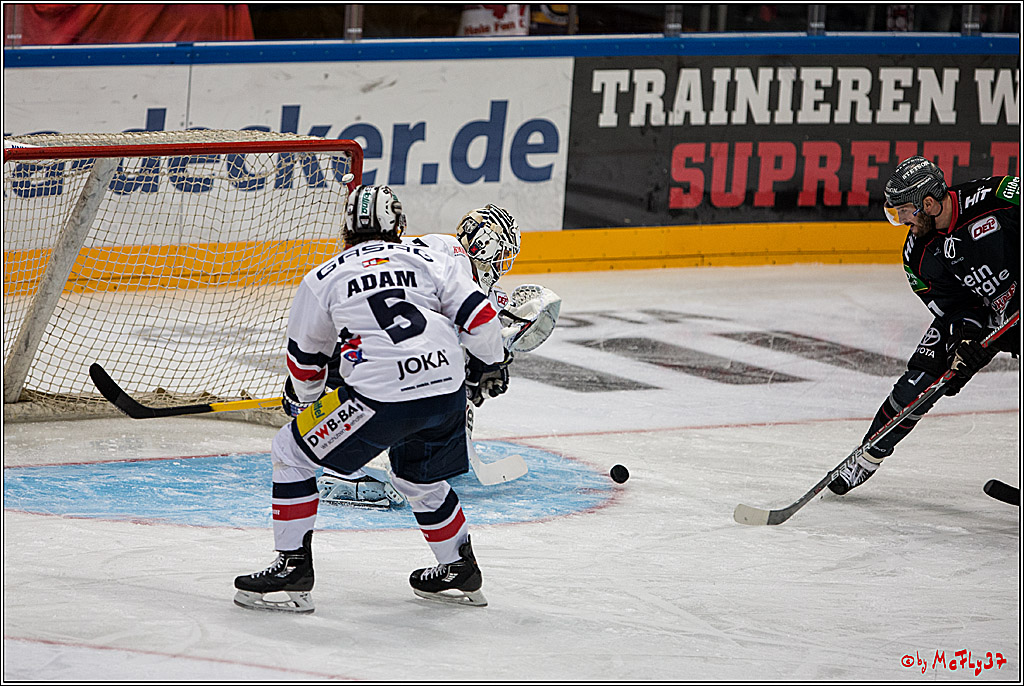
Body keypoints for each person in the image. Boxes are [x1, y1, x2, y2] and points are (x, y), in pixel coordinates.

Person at [233, 185, 505, 613]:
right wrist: (490, 363)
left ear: (345, 231)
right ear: (400, 227)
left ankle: (293, 568)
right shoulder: (429, 258)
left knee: (290, 450)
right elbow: (480, 317)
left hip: (381, 397)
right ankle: (459, 567)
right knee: (419, 478)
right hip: (446, 392)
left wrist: (304, 400)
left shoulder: (323, 276)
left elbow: (306, 362)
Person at [830, 157, 1020, 495]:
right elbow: (956, 306)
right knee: (920, 379)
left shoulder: (999, 198)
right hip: (989, 310)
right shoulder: (918, 254)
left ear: (928, 204)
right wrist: (966, 341)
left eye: (904, 211)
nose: (903, 221)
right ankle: (866, 457)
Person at [316, 203, 523, 507]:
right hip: (357, 340)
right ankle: (340, 467)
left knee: (431, 377)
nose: (504, 261)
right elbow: (464, 326)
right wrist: (486, 365)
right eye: (503, 251)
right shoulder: (448, 253)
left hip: (358, 334)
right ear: (484, 243)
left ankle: (413, 452)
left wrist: (482, 368)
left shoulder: (451, 258)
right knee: (419, 380)